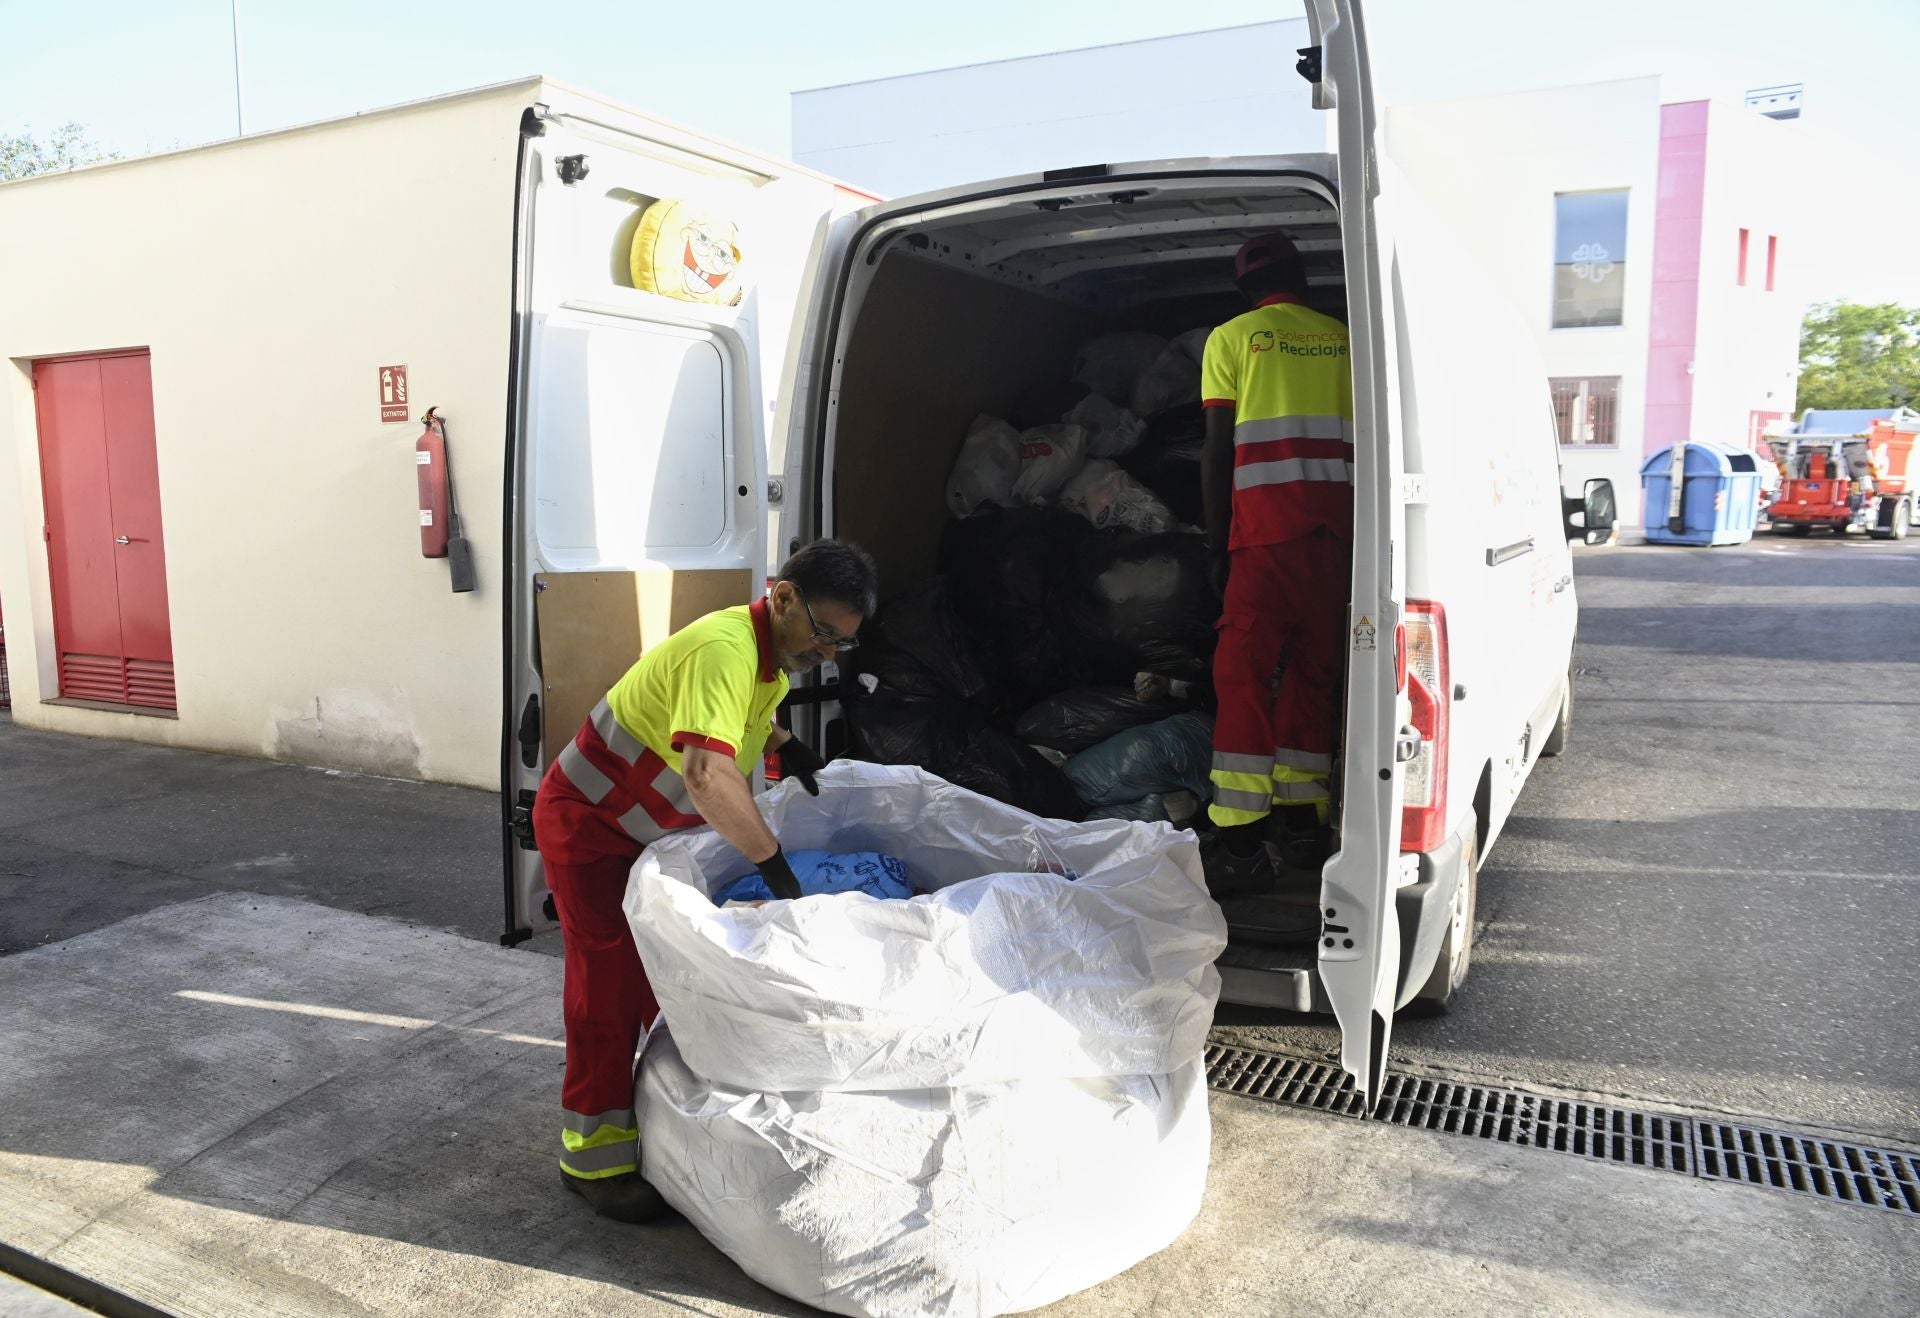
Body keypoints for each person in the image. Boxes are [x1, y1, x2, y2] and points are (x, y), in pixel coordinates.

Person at [532, 539, 878, 1222]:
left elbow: (744, 714)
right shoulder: (724, 649)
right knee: (607, 988)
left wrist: (786, 747)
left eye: (842, 642)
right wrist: (772, 866)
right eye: (824, 634)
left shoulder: (765, 659)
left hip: (641, 835)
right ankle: (593, 1160)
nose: (829, 654)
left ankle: (667, 1123)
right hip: (590, 828)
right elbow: (706, 775)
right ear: (783, 598)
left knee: (666, 980)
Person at [1199, 232, 1355, 896]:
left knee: (1241, 676)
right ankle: (1302, 822)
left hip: (1263, 539)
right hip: (1337, 538)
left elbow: (1216, 451)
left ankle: (1239, 841)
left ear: (1244, 289)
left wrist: (1215, 545)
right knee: (1313, 677)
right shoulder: (1345, 339)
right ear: (1304, 277)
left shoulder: (1232, 338)